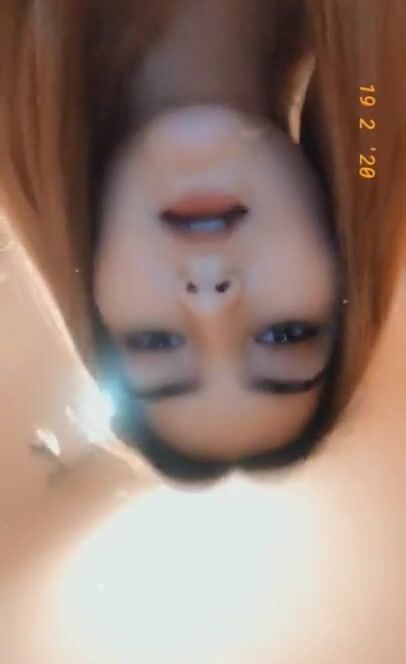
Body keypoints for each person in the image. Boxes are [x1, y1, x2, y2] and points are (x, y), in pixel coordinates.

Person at [1, 0, 405, 481]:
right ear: (344, 261)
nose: (211, 301)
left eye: (155, 342)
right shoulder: (371, 64)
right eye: (282, 335)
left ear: (91, 295)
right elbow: (368, 112)